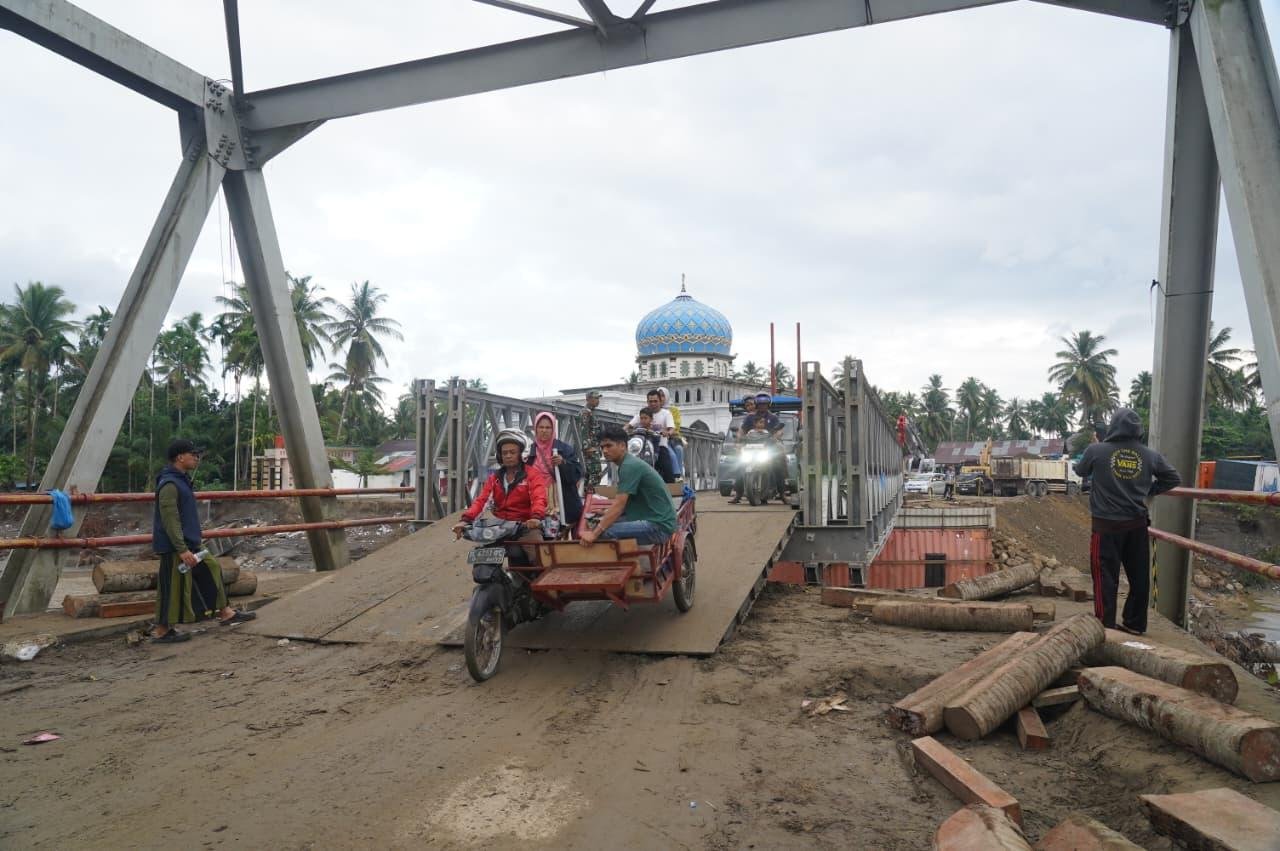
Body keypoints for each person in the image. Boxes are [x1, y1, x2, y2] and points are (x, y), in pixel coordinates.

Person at [1074, 408, 1181, 635]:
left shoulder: (1097, 450)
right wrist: (1151, 489)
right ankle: (1134, 623)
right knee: (1139, 577)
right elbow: (1173, 477)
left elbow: (1080, 469)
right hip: (1136, 525)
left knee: (1105, 578)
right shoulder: (1149, 455)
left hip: (1106, 527)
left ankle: (1105, 626)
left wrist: (1096, 446)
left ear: (1113, 426)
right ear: (1138, 430)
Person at [152, 439, 256, 643]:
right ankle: (162, 631)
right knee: (171, 586)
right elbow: (170, 519)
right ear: (180, 457)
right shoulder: (169, 484)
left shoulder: (181, 480)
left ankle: (226, 612)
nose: (196, 457)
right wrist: (181, 549)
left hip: (190, 542)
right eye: (193, 454)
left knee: (211, 569)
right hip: (176, 547)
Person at [454, 429, 548, 560]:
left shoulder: (532, 475)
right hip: (501, 528)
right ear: (500, 456)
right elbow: (481, 501)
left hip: (525, 526)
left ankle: (540, 578)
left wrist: (536, 517)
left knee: (539, 559)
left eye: (512, 452)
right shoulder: (494, 479)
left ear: (522, 453)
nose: (508, 456)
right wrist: (465, 521)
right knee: (482, 557)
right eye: (504, 453)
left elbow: (539, 498)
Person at [579, 425, 677, 547]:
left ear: (623, 446)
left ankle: (625, 563)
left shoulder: (629, 466)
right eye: (602, 447)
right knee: (600, 523)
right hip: (652, 518)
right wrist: (606, 513)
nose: (604, 451)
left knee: (601, 532)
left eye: (609, 446)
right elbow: (625, 503)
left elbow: (619, 505)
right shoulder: (628, 463)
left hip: (658, 526)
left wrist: (594, 534)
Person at [528, 411, 583, 529]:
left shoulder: (564, 449)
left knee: (558, 534)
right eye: (541, 427)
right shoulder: (530, 452)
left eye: (548, 427)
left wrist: (563, 463)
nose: (544, 430)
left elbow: (576, 473)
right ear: (535, 429)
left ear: (553, 429)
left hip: (562, 502)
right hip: (537, 501)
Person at [732, 393, 786, 503]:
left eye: (765, 404)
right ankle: (738, 493)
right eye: (760, 404)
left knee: (779, 466)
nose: (762, 406)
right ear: (757, 404)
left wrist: (776, 437)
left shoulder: (773, 417)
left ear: (768, 405)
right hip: (750, 448)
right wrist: (738, 440)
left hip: (768, 447)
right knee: (738, 465)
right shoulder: (750, 417)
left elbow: (779, 430)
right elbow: (742, 431)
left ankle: (782, 493)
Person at [628, 389, 676, 483]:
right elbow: (629, 425)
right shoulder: (643, 413)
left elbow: (672, 429)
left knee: (667, 470)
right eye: (650, 401)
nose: (653, 403)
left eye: (655, 401)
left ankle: (671, 490)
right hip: (641, 447)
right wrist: (622, 431)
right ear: (647, 402)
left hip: (660, 446)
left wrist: (668, 433)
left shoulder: (666, 413)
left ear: (660, 401)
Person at [579, 391, 605, 492]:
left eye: (598, 398)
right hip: (590, 449)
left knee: (589, 474)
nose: (598, 401)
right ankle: (591, 495)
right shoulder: (585, 412)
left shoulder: (592, 412)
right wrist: (588, 447)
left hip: (595, 447)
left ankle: (587, 496)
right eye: (595, 398)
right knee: (596, 473)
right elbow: (583, 430)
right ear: (588, 399)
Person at [657, 387, 685, 481]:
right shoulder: (654, 410)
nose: (661, 398)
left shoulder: (673, 410)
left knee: (679, 449)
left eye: (662, 395)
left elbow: (676, 425)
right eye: (659, 396)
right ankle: (676, 476)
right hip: (661, 438)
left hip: (673, 437)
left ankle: (679, 475)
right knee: (671, 454)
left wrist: (669, 432)